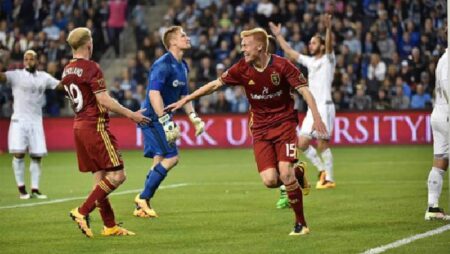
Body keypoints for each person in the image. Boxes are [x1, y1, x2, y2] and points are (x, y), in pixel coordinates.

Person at [166, 27, 327, 235]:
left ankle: (301, 223)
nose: (242, 49)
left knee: (284, 173)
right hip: (260, 129)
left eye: (246, 45)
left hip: (285, 124)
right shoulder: (242, 68)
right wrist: (187, 98)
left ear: (259, 46)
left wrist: (317, 117)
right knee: (270, 180)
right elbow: (216, 85)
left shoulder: (282, 65)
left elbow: (305, 91)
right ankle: (298, 172)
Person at [62, 27, 150, 237]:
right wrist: (131, 114)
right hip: (95, 126)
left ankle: (109, 226)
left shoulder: (66, 70)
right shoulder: (91, 67)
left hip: (79, 126)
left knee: (100, 178)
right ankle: (82, 211)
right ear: (88, 44)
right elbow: (103, 99)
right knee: (118, 175)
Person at [133, 26, 205, 219]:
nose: (188, 38)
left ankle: (141, 206)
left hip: (161, 117)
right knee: (172, 158)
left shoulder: (183, 66)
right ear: (172, 42)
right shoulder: (162, 64)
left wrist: (194, 118)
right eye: (183, 36)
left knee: (159, 159)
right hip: (153, 118)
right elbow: (153, 93)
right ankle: (143, 197)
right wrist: (165, 121)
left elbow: (184, 95)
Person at [269, 15, 336, 198]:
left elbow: (329, 46)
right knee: (302, 142)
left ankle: (329, 178)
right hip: (311, 108)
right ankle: (321, 170)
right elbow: (290, 53)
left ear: (321, 45)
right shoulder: (311, 61)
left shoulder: (328, 59)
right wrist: (278, 36)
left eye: (313, 43)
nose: (310, 45)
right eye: (310, 43)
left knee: (322, 143)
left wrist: (328, 29)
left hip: (325, 106)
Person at [0, 50, 60, 200]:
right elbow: (2, 77)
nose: (28, 61)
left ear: (37, 61)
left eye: (31, 59)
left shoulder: (44, 77)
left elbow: (60, 86)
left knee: (37, 156)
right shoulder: (16, 75)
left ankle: (35, 189)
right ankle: (22, 189)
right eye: (26, 59)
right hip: (19, 120)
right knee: (19, 154)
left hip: (36, 121)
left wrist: (73, 79)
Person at [424, 48, 450, 221]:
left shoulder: (442, 58)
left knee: (440, 162)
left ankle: (432, 207)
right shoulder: (448, 60)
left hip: (439, 113)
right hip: (447, 112)